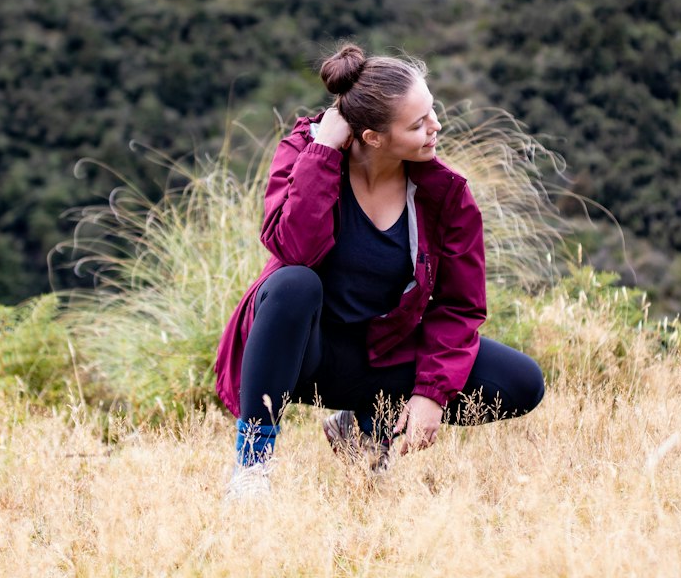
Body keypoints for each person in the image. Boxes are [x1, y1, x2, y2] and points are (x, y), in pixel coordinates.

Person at [215, 42, 545, 496]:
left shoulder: (444, 194)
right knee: (293, 284)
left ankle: (364, 428)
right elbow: (292, 249)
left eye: (432, 111)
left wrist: (431, 392)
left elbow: (459, 307)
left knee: (521, 382)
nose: (436, 127)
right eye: (418, 124)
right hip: (307, 356)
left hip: (386, 356)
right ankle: (251, 469)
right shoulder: (304, 152)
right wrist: (324, 153)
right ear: (373, 137)